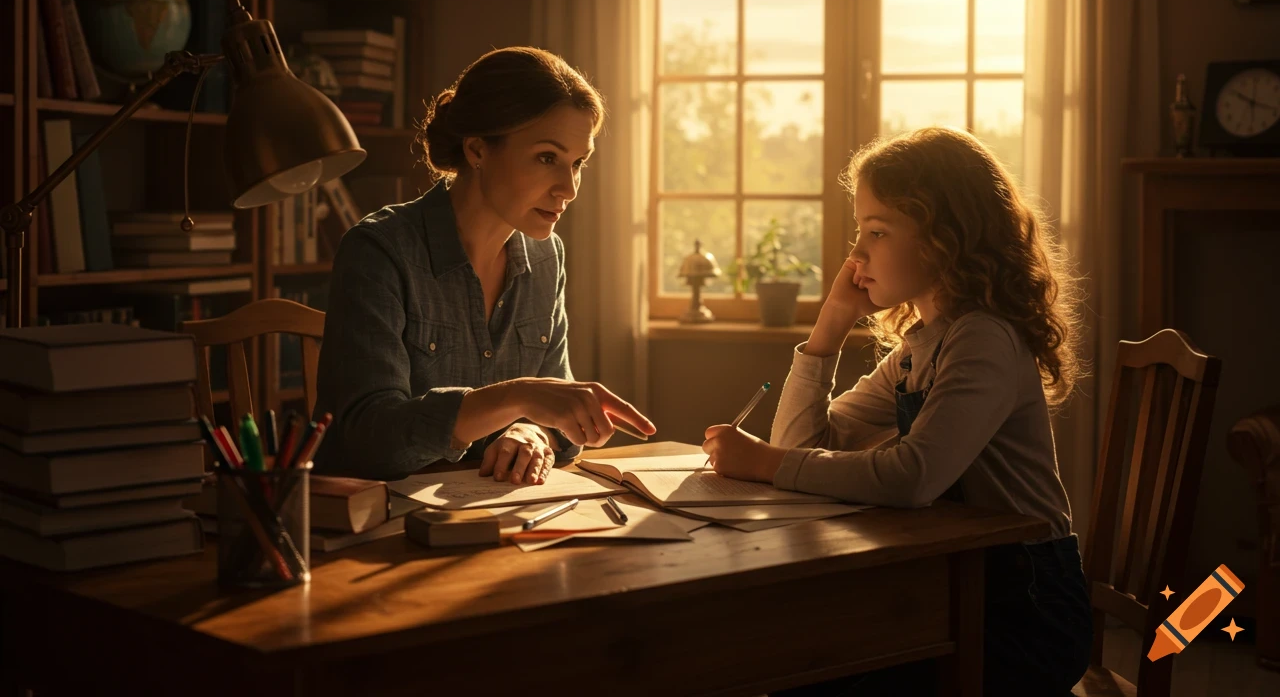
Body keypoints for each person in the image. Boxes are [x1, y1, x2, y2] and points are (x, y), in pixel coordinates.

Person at [702, 127, 1093, 696]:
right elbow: (808, 439)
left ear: (944, 238)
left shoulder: (983, 338)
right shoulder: (921, 346)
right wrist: (831, 322)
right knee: (802, 659)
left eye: (877, 232)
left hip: (1025, 606)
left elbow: (912, 476)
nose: (857, 255)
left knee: (808, 667)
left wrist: (763, 463)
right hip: (960, 582)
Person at [313, 47, 655, 483]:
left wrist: (530, 431)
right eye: (547, 157)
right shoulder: (380, 251)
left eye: (578, 163)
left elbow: (558, 412)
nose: (568, 189)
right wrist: (515, 398)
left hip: (490, 519)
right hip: (374, 525)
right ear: (477, 149)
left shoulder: (547, 257)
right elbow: (370, 442)